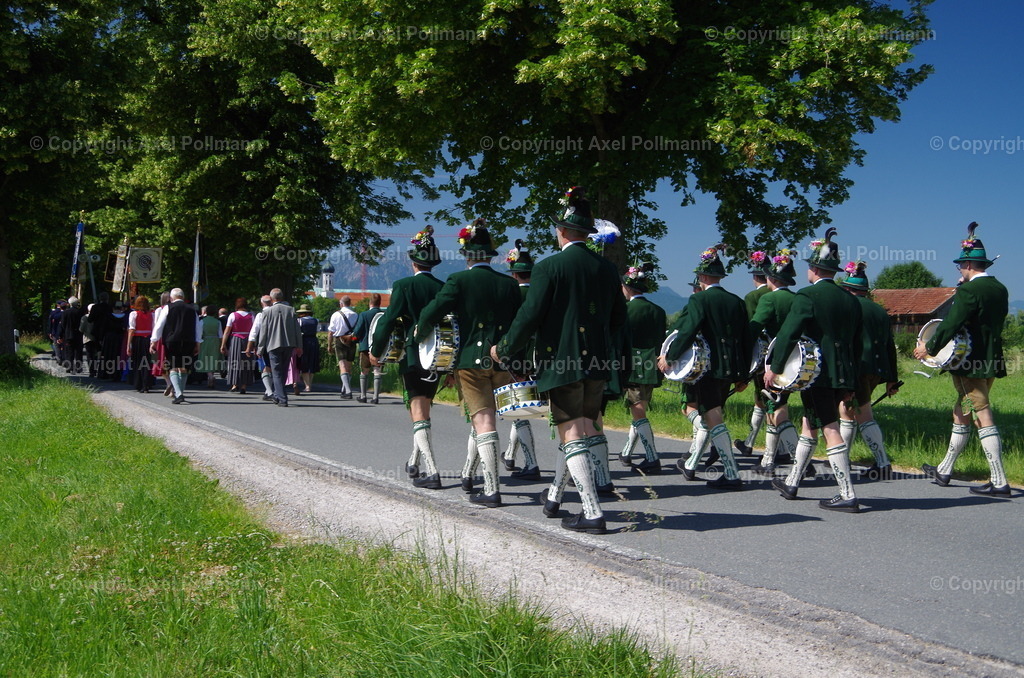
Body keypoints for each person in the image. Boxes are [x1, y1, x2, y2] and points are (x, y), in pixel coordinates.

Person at [493, 187, 627, 534]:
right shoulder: (608, 269)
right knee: (580, 428)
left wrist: (505, 348)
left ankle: (592, 512)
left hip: (562, 362)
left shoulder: (549, 267)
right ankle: (554, 497)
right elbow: (617, 319)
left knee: (570, 430)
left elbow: (529, 315)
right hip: (598, 362)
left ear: (563, 231)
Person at [416, 219, 522, 507]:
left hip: (470, 362)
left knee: (483, 420)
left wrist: (420, 333)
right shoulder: (509, 285)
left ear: (466, 255)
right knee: (488, 420)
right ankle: (468, 473)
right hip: (502, 362)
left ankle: (491, 488)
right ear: (491, 254)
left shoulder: (459, 281)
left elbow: (433, 311)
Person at [765, 228, 864, 512]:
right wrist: (852, 378)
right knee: (809, 424)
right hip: (842, 372)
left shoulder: (807, 296)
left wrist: (775, 366)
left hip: (818, 374)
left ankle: (847, 494)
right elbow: (857, 343)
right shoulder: (851, 299)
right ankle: (793, 481)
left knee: (830, 427)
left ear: (813, 269)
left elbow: (788, 334)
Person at [915, 223, 1011, 496]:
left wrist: (928, 349)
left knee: (981, 413)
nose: (959, 269)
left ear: (969, 264)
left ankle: (1000, 480)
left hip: (969, 362)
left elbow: (950, 324)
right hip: (990, 360)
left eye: (961, 265)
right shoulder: (999, 288)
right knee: (962, 411)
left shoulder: (969, 291)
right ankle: (945, 470)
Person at [660, 245, 752, 491]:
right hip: (731, 368)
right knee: (712, 414)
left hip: (709, 368)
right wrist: (744, 376)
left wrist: (669, 356)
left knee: (713, 416)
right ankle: (691, 464)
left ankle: (732, 473)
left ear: (702, 277)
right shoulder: (736, 301)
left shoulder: (699, 298)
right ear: (720, 276)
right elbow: (746, 339)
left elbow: (688, 330)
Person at [369, 227, 446, 490]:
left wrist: (376, 351)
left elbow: (389, 320)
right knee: (423, 409)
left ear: (413, 262)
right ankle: (414, 461)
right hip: (439, 356)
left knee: (418, 411)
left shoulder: (403, 285)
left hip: (413, 354)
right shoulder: (442, 287)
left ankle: (433, 471)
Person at [837, 261, 900, 481]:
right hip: (877, 369)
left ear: (847, 288)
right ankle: (846, 458)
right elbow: (889, 345)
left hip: (857, 368)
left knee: (858, 413)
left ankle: (880, 463)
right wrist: (892, 378)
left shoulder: (848, 308)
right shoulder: (879, 310)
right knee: (852, 411)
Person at [747, 250, 804, 476]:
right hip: (795, 360)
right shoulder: (797, 298)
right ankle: (768, 459)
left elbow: (755, 326)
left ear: (771, 278)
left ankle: (797, 459)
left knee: (775, 408)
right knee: (777, 406)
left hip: (771, 359)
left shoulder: (769, 298)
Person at [618, 262, 666, 474]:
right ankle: (627, 452)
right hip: (652, 363)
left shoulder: (626, 310)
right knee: (640, 408)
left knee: (637, 412)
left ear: (627, 287)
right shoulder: (659, 310)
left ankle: (652, 456)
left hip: (634, 365)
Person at [500, 240, 542, 481]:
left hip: (516, 357)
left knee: (518, 410)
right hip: (539, 358)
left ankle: (532, 463)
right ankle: (510, 455)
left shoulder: (511, 294)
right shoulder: (540, 293)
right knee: (520, 409)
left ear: (514, 273)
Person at [735, 253, 772, 457]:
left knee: (763, 398)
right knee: (773, 399)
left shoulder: (753, 297)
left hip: (762, 354)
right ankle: (751, 442)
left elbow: (750, 329)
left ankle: (769, 448)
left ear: (756, 276)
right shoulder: (784, 294)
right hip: (784, 354)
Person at [151, 288, 202, 404]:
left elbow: (159, 325)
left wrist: (154, 341)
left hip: (172, 340)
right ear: (183, 297)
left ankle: (178, 394)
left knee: (173, 367)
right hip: (189, 340)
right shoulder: (192, 309)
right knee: (184, 367)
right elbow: (198, 327)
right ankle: (180, 393)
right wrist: (198, 343)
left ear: (171, 298)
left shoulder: (168, 308)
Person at [255, 288, 301, 407]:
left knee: (276, 372)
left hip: (273, 345)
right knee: (284, 370)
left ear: (272, 298)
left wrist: (260, 349)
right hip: (289, 344)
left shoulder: (267, 312)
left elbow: (264, 332)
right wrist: (299, 346)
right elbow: (297, 330)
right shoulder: (291, 310)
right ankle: (277, 394)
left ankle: (282, 398)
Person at [221, 298, 258, 394]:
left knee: (234, 361)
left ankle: (234, 384)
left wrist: (223, 344)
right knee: (246, 362)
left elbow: (227, 331)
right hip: (248, 339)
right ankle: (244, 385)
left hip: (236, 339)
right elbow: (254, 330)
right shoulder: (251, 316)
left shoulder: (232, 315)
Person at [351, 294, 383, 403]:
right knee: (377, 371)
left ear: (370, 303)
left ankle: (363, 395)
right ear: (380, 303)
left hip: (365, 346)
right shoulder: (383, 314)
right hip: (380, 347)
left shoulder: (364, 314)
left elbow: (358, 331)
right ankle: (375, 397)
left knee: (364, 371)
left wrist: (354, 339)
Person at [246, 295, 277, 400]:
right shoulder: (279, 313)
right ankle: (269, 391)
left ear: (262, 303)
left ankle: (269, 391)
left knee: (265, 367)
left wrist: (249, 347)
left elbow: (254, 332)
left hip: (266, 344)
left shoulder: (261, 315)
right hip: (279, 344)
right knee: (275, 367)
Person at [328, 296, 359, 399]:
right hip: (352, 340)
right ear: (350, 303)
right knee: (349, 366)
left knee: (342, 366)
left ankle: (348, 390)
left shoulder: (336, 315)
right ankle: (344, 389)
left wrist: (329, 345)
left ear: (341, 304)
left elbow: (331, 332)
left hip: (339, 340)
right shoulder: (355, 315)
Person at [126, 295, 154, 393]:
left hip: (138, 340)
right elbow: (153, 328)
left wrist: (128, 345)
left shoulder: (134, 314)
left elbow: (132, 330)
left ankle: (139, 383)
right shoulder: (152, 314)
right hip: (149, 339)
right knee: (147, 362)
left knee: (138, 362)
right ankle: (147, 384)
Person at [195, 305, 223, 389]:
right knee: (214, 359)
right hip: (215, 341)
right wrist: (222, 345)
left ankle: (210, 376)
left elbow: (199, 335)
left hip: (205, 341)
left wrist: (198, 346)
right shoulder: (218, 322)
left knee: (206, 359)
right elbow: (220, 334)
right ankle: (211, 376)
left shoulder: (202, 321)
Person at [99, 301, 129, 381]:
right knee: (118, 356)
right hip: (120, 338)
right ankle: (117, 373)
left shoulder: (108, 316)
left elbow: (103, 328)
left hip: (109, 338)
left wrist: (101, 339)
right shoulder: (125, 317)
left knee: (108, 355)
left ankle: (106, 373)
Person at [295, 304, 321, 394]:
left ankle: (307, 386)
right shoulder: (316, 320)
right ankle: (310, 384)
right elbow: (318, 330)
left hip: (304, 342)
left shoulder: (299, 321)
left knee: (304, 362)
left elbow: (297, 332)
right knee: (312, 362)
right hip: (314, 341)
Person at [59, 297, 86, 373]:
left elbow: (62, 325)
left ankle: (69, 366)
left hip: (68, 335)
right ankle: (78, 367)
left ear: (69, 304)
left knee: (69, 351)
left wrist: (61, 335)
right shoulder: (80, 312)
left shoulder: (65, 313)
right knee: (78, 352)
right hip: (78, 334)